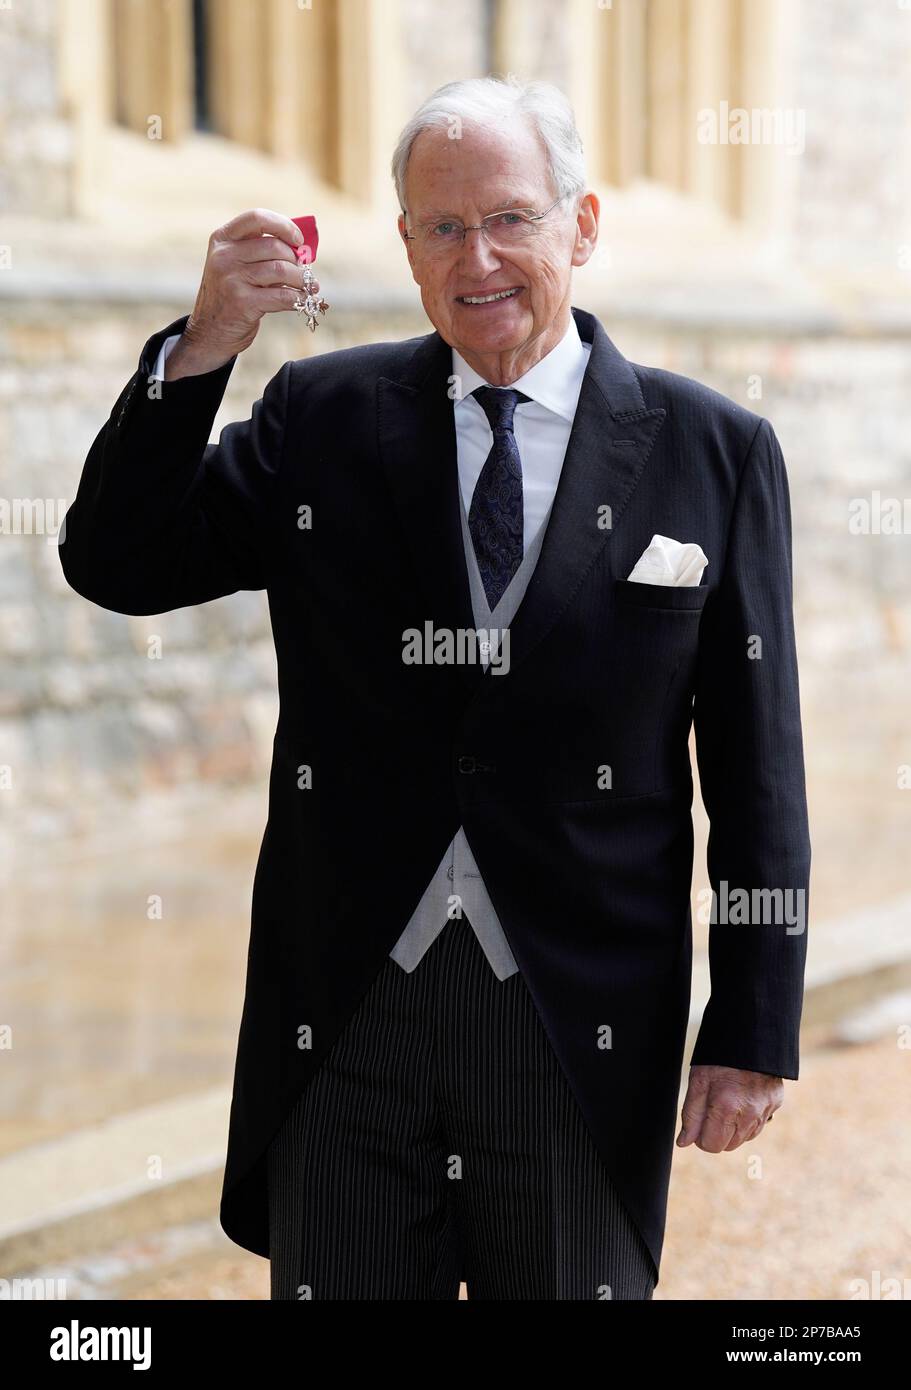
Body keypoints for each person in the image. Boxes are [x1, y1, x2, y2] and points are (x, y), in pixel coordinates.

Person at [59, 75, 811, 1300]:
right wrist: (200, 351)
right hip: (347, 1014)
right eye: (441, 227)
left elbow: (755, 764)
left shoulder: (711, 450)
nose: (478, 259)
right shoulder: (321, 413)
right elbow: (115, 562)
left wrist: (750, 1023)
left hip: (577, 1024)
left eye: (509, 218)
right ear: (404, 242)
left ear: (581, 224)